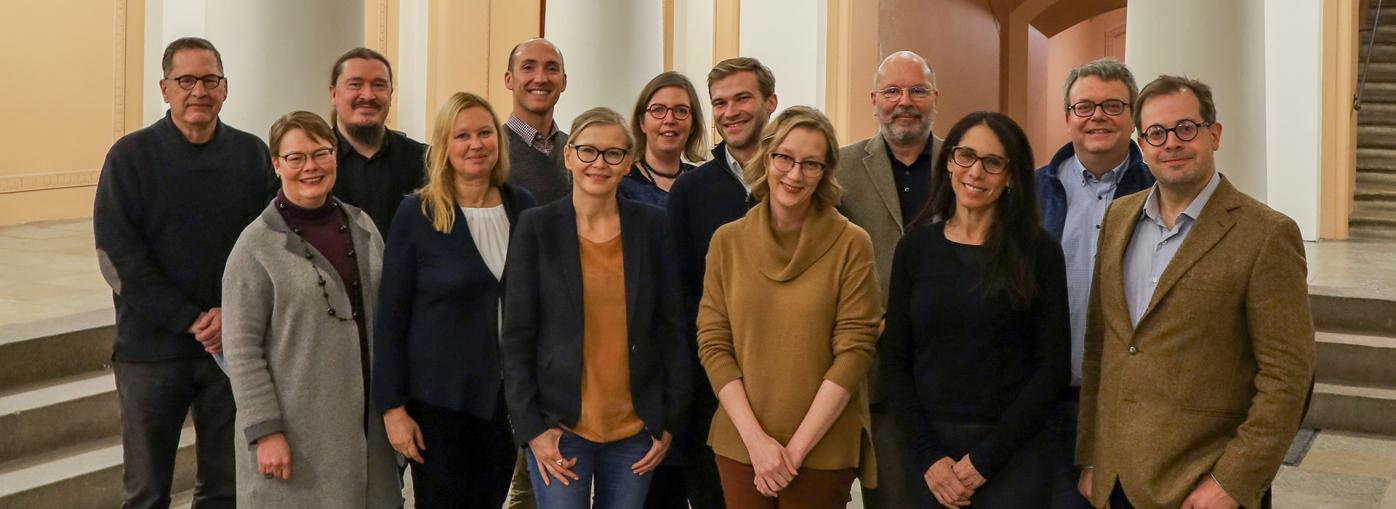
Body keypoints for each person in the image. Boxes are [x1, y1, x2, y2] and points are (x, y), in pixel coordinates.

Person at [1077, 76, 1316, 509]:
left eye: (1185, 128)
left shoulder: (1266, 235)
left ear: (1214, 135)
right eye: (1156, 133)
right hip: (1117, 483)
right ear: (1142, 145)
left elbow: (1288, 377)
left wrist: (1234, 481)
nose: (1171, 143)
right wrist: (1093, 457)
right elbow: (1101, 349)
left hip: (1204, 486)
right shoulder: (1118, 217)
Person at [93, 37, 275, 509]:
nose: (199, 91)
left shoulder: (252, 155)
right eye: (186, 80)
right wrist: (190, 319)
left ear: (225, 88)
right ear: (165, 88)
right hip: (150, 353)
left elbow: (270, 246)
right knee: (147, 492)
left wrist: (229, 315)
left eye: (210, 80)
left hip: (230, 350)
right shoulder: (129, 157)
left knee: (224, 490)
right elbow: (118, 259)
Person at [501, 107, 690, 509]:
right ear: (568, 155)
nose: (598, 164)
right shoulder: (537, 227)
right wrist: (533, 429)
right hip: (560, 425)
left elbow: (671, 328)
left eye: (613, 154)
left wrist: (668, 422)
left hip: (636, 430)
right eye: (587, 151)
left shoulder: (653, 227)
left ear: (628, 163)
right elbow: (516, 336)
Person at [880, 111, 1069, 507]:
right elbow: (894, 358)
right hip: (928, 454)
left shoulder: (1040, 251)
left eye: (993, 162)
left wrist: (984, 459)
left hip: (1014, 452)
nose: (975, 172)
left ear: (1011, 176)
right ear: (949, 161)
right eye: (965, 155)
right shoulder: (915, 248)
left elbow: (1052, 368)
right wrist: (929, 456)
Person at [698, 106, 881, 508]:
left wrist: (794, 452)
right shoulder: (727, 242)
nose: (795, 175)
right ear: (767, 157)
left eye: (811, 164)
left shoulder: (852, 244)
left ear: (826, 171)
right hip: (742, 444)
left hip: (822, 448)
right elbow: (714, 344)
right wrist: (757, 443)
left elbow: (854, 352)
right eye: (784, 158)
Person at [221, 111, 398, 507]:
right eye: (296, 157)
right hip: (294, 432)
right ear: (277, 164)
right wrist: (265, 431)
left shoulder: (363, 226)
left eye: (321, 153)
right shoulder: (255, 247)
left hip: (365, 428)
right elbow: (242, 349)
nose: (310, 167)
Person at [373, 92, 536, 507]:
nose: (476, 144)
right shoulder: (418, 214)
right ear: (443, 146)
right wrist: (393, 409)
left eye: (485, 133)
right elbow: (391, 317)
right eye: (462, 135)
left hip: (503, 403)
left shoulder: (523, 207)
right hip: (437, 404)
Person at [1032, 58, 1153, 509]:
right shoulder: (1030, 191)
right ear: (1067, 117)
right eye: (1084, 106)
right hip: (1046, 398)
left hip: (1127, 402)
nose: (1097, 116)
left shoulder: (1160, 190)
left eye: (1112, 105)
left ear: (1134, 117)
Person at [662, 57, 779, 509]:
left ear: (771, 101)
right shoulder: (691, 191)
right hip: (715, 392)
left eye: (742, 98)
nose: (730, 112)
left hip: (792, 388)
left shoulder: (798, 178)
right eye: (719, 103)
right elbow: (680, 293)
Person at [834, 50, 943, 509]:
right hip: (873, 372)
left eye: (917, 90)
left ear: (935, 98)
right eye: (892, 91)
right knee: (889, 498)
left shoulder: (966, 165)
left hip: (951, 370)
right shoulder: (840, 167)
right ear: (872, 100)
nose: (905, 101)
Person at [328, 47, 428, 239]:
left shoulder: (424, 161)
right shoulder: (308, 165)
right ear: (333, 94)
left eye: (379, 85)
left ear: (391, 94)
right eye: (355, 84)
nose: (368, 95)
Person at [618, 71, 708, 208]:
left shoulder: (705, 183)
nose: (669, 120)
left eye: (681, 111)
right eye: (658, 110)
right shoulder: (620, 185)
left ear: (693, 125)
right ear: (642, 122)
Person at [503, 38, 571, 205]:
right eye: (528, 68)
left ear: (563, 82)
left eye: (552, 68)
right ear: (509, 79)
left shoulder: (577, 150)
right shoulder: (491, 150)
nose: (540, 78)